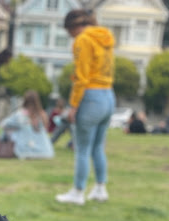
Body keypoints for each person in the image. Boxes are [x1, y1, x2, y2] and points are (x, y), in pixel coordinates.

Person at [55, 9, 116, 205]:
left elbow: (81, 77)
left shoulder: (82, 40)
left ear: (74, 27)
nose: (70, 36)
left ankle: (78, 192)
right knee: (98, 146)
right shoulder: (104, 38)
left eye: (69, 32)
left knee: (82, 149)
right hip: (108, 95)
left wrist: (73, 106)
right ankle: (100, 189)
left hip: (90, 96)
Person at [0, 90, 54, 159]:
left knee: (9, 130)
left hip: (23, 149)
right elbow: (45, 128)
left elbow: (3, 124)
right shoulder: (42, 114)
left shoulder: (21, 114)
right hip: (44, 150)